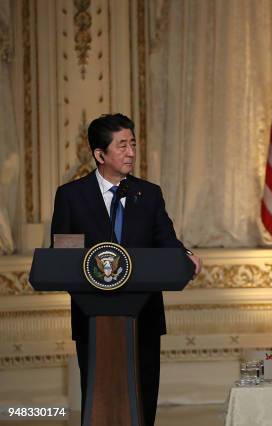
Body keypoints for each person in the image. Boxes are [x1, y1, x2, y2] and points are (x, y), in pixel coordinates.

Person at [50, 113, 201, 426]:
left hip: (143, 317)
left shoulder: (148, 194)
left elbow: (166, 240)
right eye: (122, 146)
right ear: (99, 154)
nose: (131, 152)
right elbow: (64, 259)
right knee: (98, 399)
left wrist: (184, 254)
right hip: (93, 319)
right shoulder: (71, 197)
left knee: (143, 402)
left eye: (133, 144)